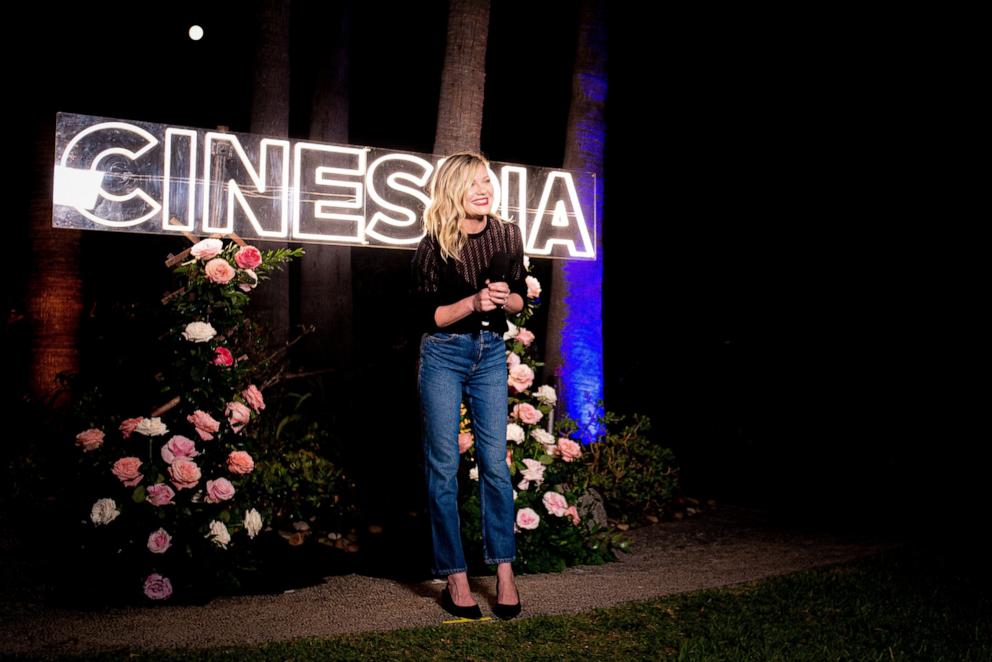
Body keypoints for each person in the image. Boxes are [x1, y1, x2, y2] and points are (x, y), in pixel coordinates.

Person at [412, 151, 527, 620]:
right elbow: (430, 317)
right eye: (474, 182)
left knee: (495, 464)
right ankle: (455, 576)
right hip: (444, 353)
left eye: (488, 181)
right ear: (454, 189)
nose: (485, 189)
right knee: (443, 468)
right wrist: (474, 300)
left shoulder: (507, 234)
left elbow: (519, 299)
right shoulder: (433, 244)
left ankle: (504, 573)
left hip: (491, 353)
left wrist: (505, 299)